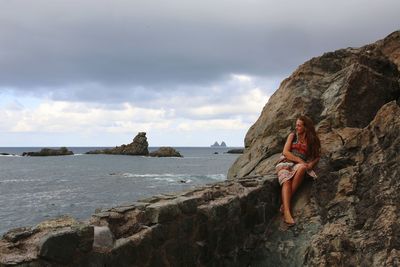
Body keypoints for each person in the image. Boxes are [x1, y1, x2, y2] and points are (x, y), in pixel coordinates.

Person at [275, 115, 321, 226]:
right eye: (296, 125)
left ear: (306, 127)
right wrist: (299, 160)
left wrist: (311, 164)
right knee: (286, 180)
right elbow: (285, 152)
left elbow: (317, 156)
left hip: (299, 165)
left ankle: (285, 203)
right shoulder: (292, 136)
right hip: (285, 162)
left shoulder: (312, 140)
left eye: (299, 126)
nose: (296, 127)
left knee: (302, 168)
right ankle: (287, 212)